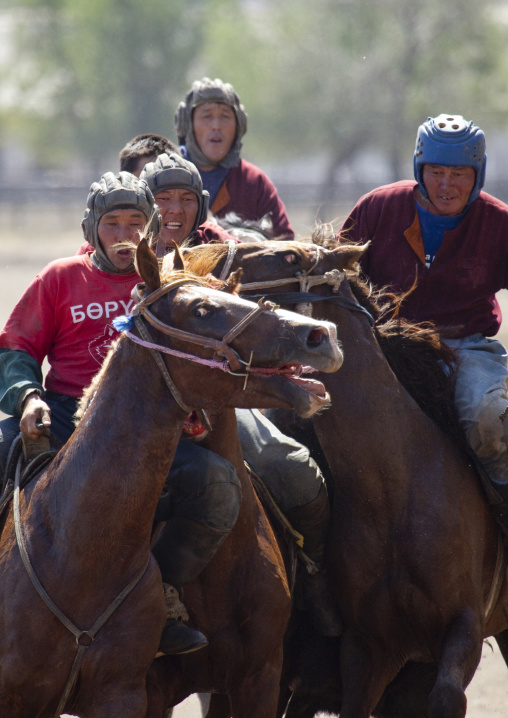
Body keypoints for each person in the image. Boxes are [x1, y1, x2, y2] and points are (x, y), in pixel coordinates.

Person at [0, 171, 242, 655]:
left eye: (137, 222)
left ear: (152, 228)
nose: (126, 235)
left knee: (218, 488)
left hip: (153, 430)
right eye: (113, 223)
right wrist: (28, 397)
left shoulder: (171, 282)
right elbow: (15, 348)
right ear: (92, 228)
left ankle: (164, 595)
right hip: (67, 419)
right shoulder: (60, 278)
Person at [141, 150, 342, 638]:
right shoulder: (122, 241)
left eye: (185, 198)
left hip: (219, 393)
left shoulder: (225, 250)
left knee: (288, 468)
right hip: (144, 402)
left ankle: (317, 585)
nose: (173, 209)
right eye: (161, 198)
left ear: (201, 205)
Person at [338, 113, 508, 535]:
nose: (446, 185)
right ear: (419, 169)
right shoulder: (378, 208)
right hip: (386, 346)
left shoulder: (498, 222)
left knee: (488, 418)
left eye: (459, 173)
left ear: (478, 174)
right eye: (436, 171)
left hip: (466, 347)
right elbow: (336, 280)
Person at [174, 77, 294, 239]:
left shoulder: (253, 182)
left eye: (225, 116)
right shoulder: (167, 177)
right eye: (206, 116)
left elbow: (285, 242)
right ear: (187, 124)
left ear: (239, 125)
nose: (216, 125)